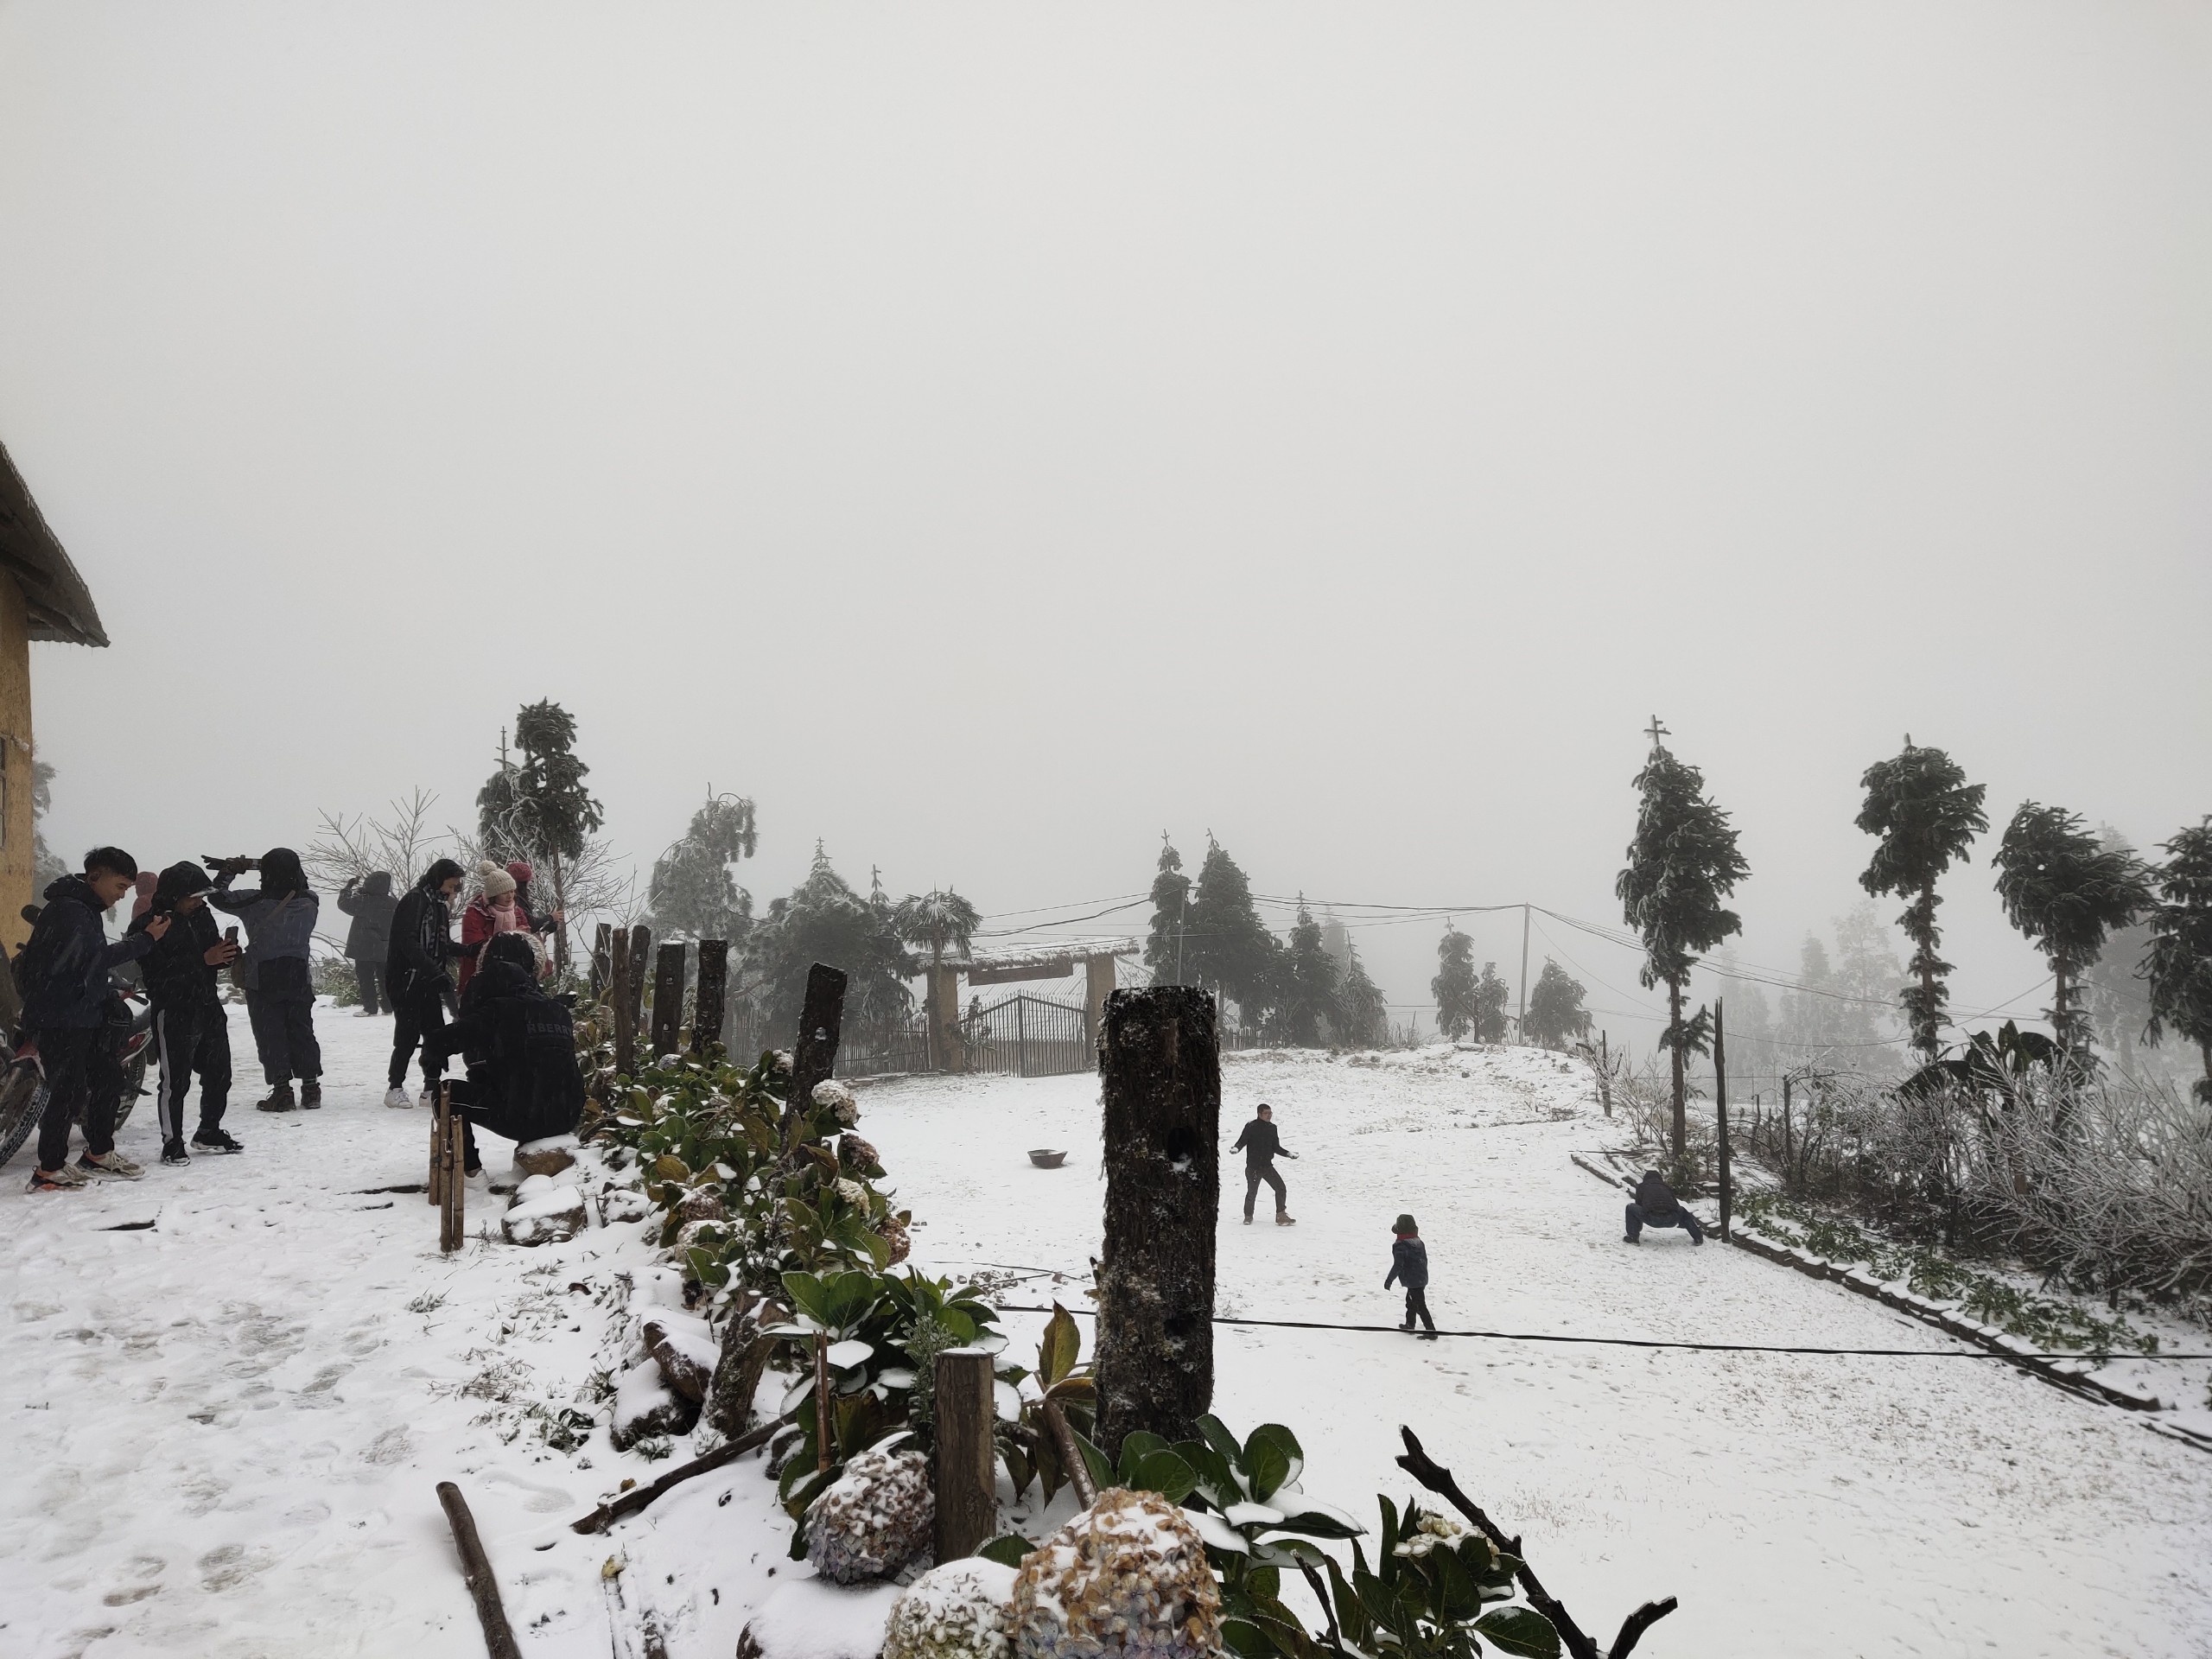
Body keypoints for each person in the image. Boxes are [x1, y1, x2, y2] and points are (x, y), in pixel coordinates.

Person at [17, 847, 165, 1190]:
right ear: (95, 876)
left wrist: (107, 995)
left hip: (84, 1012)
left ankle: (98, 1152)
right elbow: (93, 959)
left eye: (128, 888)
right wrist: (145, 940)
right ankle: (49, 1170)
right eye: (119, 885)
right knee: (67, 1091)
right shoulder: (70, 910)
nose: (121, 894)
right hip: (60, 1016)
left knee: (108, 1079)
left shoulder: (84, 908)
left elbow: (82, 967)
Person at [424, 932, 584, 1179]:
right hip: (568, 1115)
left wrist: (431, 1060)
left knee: (446, 1095)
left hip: (524, 1117)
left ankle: (471, 1172)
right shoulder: (557, 1010)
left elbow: (440, 1041)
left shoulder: (497, 1010)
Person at [129, 861, 244, 1164]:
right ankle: (172, 1142)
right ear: (175, 895)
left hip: (207, 1005)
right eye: (195, 896)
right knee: (174, 1082)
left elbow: (208, 957)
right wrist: (203, 961)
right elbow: (155, 975)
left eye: (203, 895)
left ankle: (208, 1131)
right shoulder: (148, 926)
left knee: (220, 1074)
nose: (200, 901)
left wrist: (226, 956)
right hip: (174, 1010)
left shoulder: (202, 916)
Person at [210, 849, 323, 1112]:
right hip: (298, 974)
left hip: (263, 976)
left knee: (270, 1033)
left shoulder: (254, 902)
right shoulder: (310, 902)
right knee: (302, 1030)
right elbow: (298, 881)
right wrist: (266, 866)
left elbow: (216, 896)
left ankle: (282, 1091)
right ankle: (311, 1089)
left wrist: (230, 871)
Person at [384, 858, 478, 1109]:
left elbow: (442, 943)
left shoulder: (439, 905)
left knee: (435, 1034)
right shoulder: (415, 900)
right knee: (407, 1034)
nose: (455, 891)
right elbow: (407, 942)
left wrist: (469, 950)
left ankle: (430, 1086)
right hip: (407, 980)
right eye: (453, 885)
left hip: (429, 981)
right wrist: (432, 970)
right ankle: (395, 1087)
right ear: (440, 879)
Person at [456, 861, 525, 994]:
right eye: (505, 892)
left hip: (512, 978)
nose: (510, 896)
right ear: (494, 895)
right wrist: (513, 938)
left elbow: (530, 938)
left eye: (512, 891)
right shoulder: (475, 913)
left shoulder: (517, 911)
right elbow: (476, 947)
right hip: (479, 978)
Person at [336, 871, 397, 1015]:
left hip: (364, 947)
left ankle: (370, 1008)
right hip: (385, 946)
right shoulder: (394, 903)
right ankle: (388, 1007)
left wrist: (348, 888)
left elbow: (343, 904)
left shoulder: (363, 901)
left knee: (365, 978)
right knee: (385, 978)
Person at [1231, 1103, 1297, 1226]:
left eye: (1270, 1113)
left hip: (1267, 1167)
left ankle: (1281, 1215)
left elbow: (1276, 1147)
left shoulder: (1272, 1128)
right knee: (1252, 1191)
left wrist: (1288, 1153)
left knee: (1281, 1188)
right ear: (1259, 1114)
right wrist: (1236, 1148)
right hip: (1253, 1168)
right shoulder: (1251, 1126)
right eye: (1266, 1113)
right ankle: (1248, 1216)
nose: (1269, 1115)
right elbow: (1242, 1141)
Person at [1385, 1213, 1438, 1339]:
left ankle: (1431, 1332)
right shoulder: (1419, 1242)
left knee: (1420, 1305)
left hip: (1413, 1280)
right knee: (1411, 1302)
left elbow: (1398, 1265)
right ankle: (1410, 1324)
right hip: (1421, 1277)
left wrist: (1389, 1280)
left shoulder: (1401, 1246)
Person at [1624, 1169, 1705, 1245]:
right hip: (1671, 1219)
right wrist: (1682, 1221)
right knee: (1682, 1210)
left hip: (1653, 1219)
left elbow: (1639, 1206)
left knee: (1630, 1207)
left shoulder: (1642, 1187)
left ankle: (1633, 1237)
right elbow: (1676, 1206)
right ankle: (1698, 1238)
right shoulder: (1667, 1187)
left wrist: (1638, 1226)